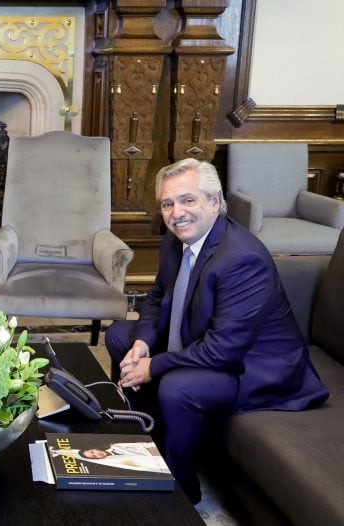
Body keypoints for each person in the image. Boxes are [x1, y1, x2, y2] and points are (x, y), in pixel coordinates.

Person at [105, 158, 329, 503]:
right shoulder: (176, 237)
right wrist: (142, 344)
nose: (177, 212)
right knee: (121, 334)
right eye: (168, 203)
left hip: (254, 366)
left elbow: (223, 351)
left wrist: (153, 367)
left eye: (188, 200)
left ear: (215, 202)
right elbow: (156, 297)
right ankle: (149, 442)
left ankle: (181, 491)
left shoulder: (242, 259)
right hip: (202, 339)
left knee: (178, 386)